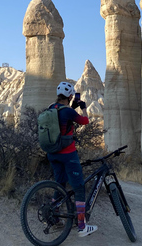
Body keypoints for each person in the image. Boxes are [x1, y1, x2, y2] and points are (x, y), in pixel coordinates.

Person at [46, 81, 98, 237]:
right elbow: (85, 121)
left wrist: (72, 107)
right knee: (79, 188)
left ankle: (53, 216)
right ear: (70, 96)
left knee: (59, 183)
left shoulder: (51, 108)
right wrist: (83, 107)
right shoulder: (68, 111)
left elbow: (63, 117)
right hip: (68, 154)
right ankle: (82, 226)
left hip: (52, 153)